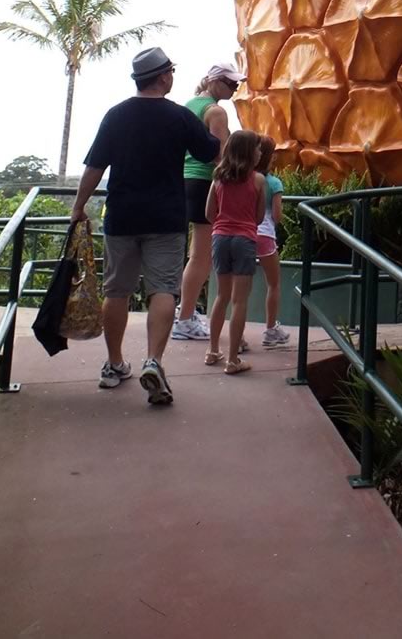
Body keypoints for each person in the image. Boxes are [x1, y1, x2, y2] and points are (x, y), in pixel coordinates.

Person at [70, 47, 220, 405]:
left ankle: (113, 364)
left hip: (121, 216)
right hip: (166, 218)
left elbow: (94, 167)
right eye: (171, 71)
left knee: (116, 291)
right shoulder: (179, 117)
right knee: (163, 290)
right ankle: (153, 361)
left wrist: (78, 208)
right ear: (164, 76)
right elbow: (210, 152)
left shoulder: (116, 115)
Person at [173, 62, 245, 341]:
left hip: (184, 180)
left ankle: (185, 312)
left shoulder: (189, 105)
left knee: (195, 253)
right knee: (201, 256)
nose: (235, 87)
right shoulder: (216, 111)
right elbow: (221, 156)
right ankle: (185, 318)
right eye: (230, 83)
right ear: (214, 81)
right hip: (205, 182)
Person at [203, 130, 265, 374]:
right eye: (258, 149)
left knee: (222, 296)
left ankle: (212, 350)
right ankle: (232, 360)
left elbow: (209, 213)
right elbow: (259, 217)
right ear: (249, 152)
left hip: (220, 238)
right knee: (240, 301)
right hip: (245, 239)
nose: (260, 153)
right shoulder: (258, 180)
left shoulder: (217, 178)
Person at [255, 134, 290, 348]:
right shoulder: (274, 183)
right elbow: (277, 216)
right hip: (266, 234)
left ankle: (237, 336)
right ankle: (270, 329)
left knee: (240, 287)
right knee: (274, 283)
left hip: (244, 234)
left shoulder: (245, 179)